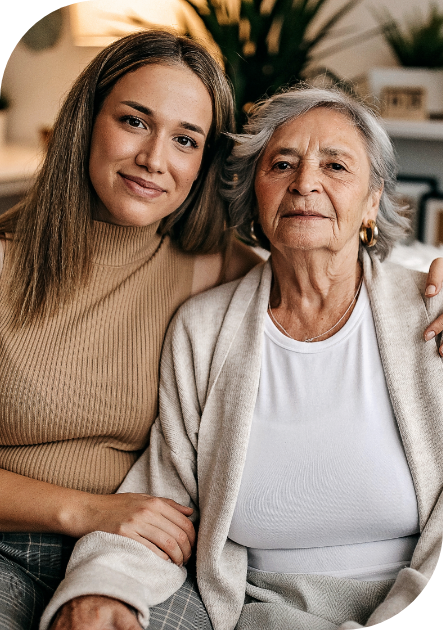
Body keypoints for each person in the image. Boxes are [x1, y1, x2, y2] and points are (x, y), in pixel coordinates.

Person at [42, 85, 443, 630]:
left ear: (373, 199)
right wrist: (103, 590)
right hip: (252, 613)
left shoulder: (431, 312)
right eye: (282, 164)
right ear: (255, 192)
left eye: (336, 166)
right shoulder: (203, 329)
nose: (305, 183)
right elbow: (162, 497)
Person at [0, 29, 262, 630]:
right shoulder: (5, 264)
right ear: (86, 121)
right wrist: (88, 510)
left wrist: (426, 284)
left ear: (203, 164)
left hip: (138, 558)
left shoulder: (211, 266)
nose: (155, 159)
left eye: (186, 139)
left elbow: (330, 292)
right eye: (135, 121)